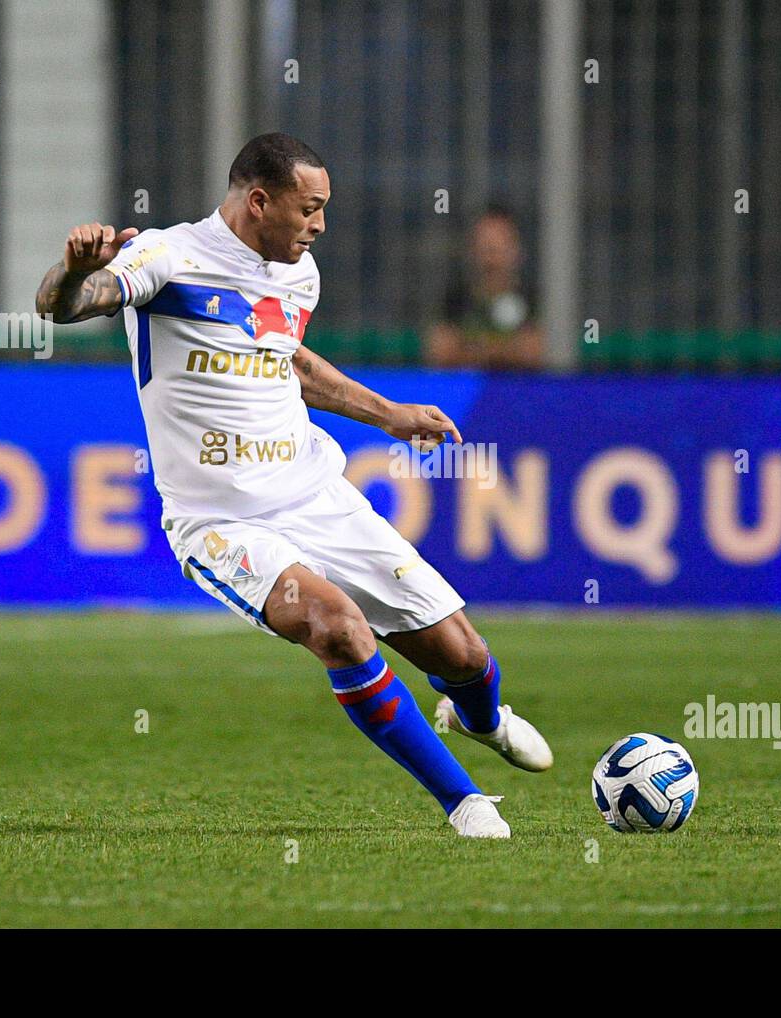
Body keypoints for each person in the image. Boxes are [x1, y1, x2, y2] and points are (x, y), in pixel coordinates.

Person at [34, 133, 551, 838]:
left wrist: (389, 414)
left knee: (465, 657)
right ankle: (463, 801)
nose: (321, 225)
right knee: (337, 629)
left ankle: (479, 717)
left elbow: (289, 363)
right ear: (259, 201)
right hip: (223, 522)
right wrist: (72, 272)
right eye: (310, 209)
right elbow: (66, 306)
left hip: (315, 495)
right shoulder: (167, 256)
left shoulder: (296, 273)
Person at [425, 206, 544, 370]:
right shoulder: (455, 300)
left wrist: (471, 350)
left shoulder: (530, 299)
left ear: (516, 252)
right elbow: (441, 353)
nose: (492, 259)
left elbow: (533, 353)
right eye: (486, 248)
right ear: (473, 251)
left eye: (498, 249)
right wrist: (505, 350)